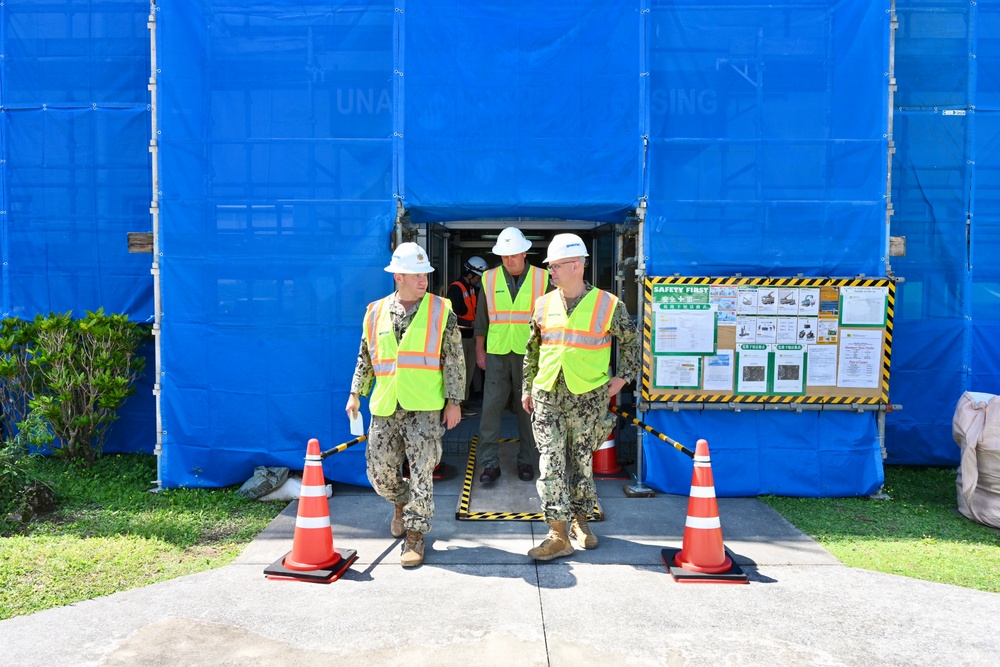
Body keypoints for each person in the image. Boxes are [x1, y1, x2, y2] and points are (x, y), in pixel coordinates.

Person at [345, 242, 465, 568]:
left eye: (425, 273)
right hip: (385, 403)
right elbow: (365, 357)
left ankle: (415, 534)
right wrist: (356, 393)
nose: (423, 279)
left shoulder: (442, 309)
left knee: (423, 471)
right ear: (398, 276)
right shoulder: (374, 311)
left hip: (424, 405)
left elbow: (454, 360)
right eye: (416, 274)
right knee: (379, 473)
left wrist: (454, 402)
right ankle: (401, 501)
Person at [521, 233, 639, 561]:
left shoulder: (608, 304)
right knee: (552, 462)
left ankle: (580, 519)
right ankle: (557, 533)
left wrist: (623, 377)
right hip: (548, 393)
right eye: (550, 267)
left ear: (576, 265)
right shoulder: (543, 304)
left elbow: (631, 341)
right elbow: (532, 349)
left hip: (588, 396)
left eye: (556, 266)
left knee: (581, 462)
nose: (550, 272)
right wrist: (527, 387)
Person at [474, 227, 550, 484]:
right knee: (490, 408)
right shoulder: (489, 278)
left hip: (530, 354)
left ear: (525, 252)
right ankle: (489, 464)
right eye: (504, 256)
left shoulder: (544, 278)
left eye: (513, 255)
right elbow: (481, 318)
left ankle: (527, 461)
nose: (509, 260)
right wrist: (479, 350)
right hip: (496, 352)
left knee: (528, 408)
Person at [447, 256, 488, 416]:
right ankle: (455, 406)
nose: (478, 280)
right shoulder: (456, 289)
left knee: (468, 373)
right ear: (470, 274)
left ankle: (463, 403)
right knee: (459, 373)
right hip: (459, 339)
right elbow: (451, 316)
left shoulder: (471, 288)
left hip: (471, 337)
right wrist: (471, 323)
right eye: (477, 277)